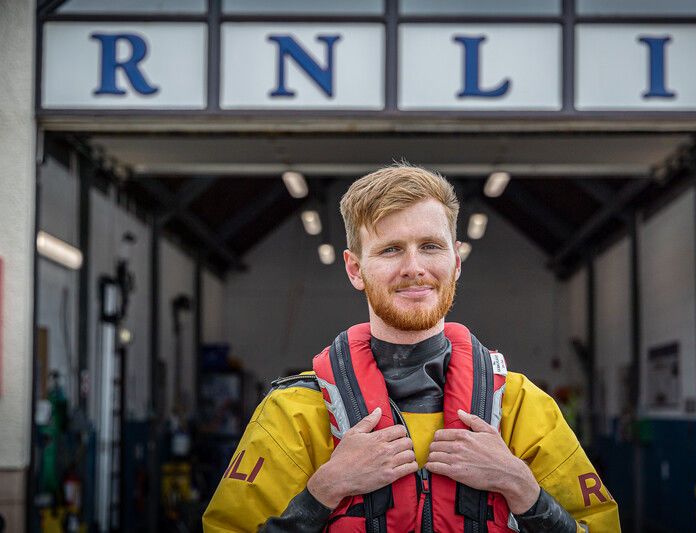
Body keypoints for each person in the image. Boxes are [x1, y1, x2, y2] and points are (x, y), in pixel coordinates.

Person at [203, 165, 620, 532]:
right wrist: (323, 492)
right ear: (355, 269)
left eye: (431, 246)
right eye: (390, 250)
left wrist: (523, 489)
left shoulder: (524, 409)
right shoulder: (294, 416)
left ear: (456, 260)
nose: (414, 268)